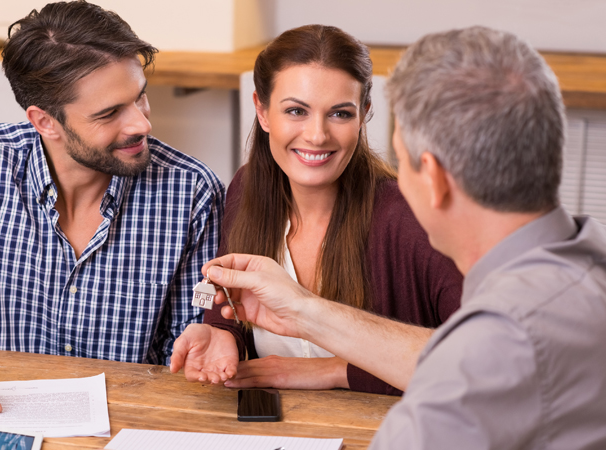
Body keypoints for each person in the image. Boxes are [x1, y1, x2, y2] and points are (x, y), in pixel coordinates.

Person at [194, 26, 606, 449]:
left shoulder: (486, 355)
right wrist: (299, 313)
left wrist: (325, 351)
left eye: (403, 162)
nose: (317, 134)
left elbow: (473, 361)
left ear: (434, 179)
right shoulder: (587, 265)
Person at [0, 1, 224, 415]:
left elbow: (194, 347)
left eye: (140, 97)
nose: (142, 124)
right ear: (45, 121)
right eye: (109, 113)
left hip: (130, 421)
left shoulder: (192, 192)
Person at [170, 25, 462, 396]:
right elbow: (233, 306)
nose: (317, 135)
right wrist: (223, 334)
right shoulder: (246, 189)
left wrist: (335, 371)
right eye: (296, 111)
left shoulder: (410, 217)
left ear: (364, 114)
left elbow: (485, 364)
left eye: (340, 114)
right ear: (262, 111)